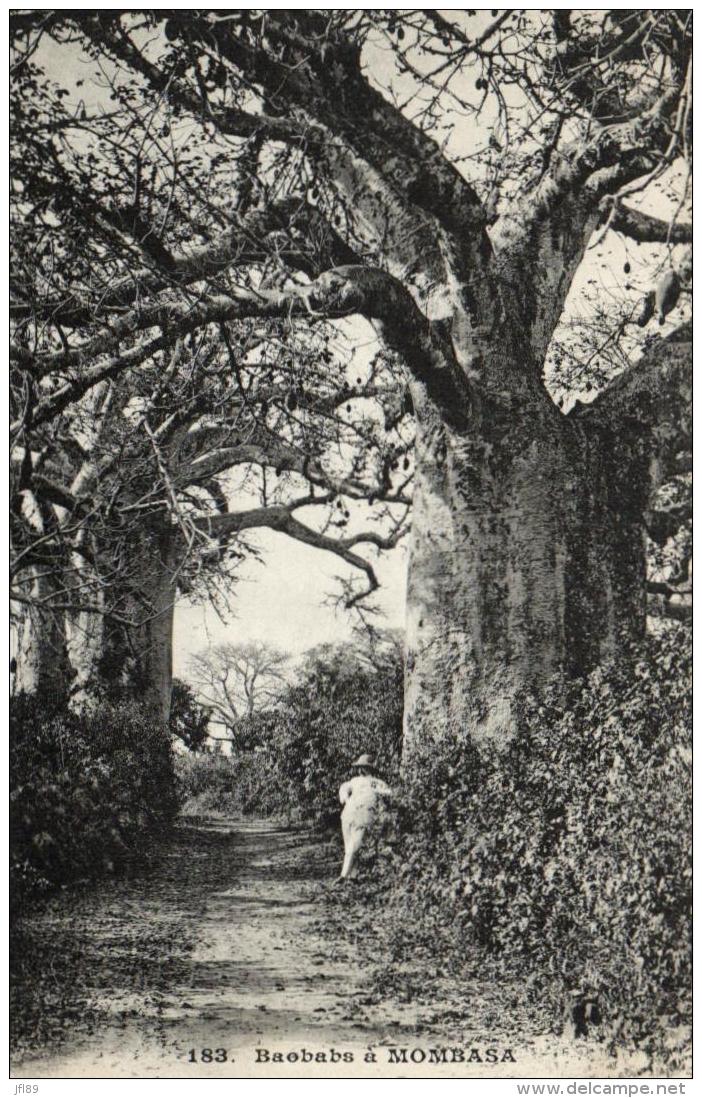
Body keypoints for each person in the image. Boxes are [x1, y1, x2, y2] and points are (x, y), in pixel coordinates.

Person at [338, 753, 394, 880]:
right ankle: (349, 876)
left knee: (353, 845)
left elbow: (344, 788)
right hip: (357, 813)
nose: (361, 770)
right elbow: (389, 794)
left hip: (355, 813)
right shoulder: (371, 782)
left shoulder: (367, 782)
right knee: (353, 845)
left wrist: (346, 798)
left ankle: (347, 876)